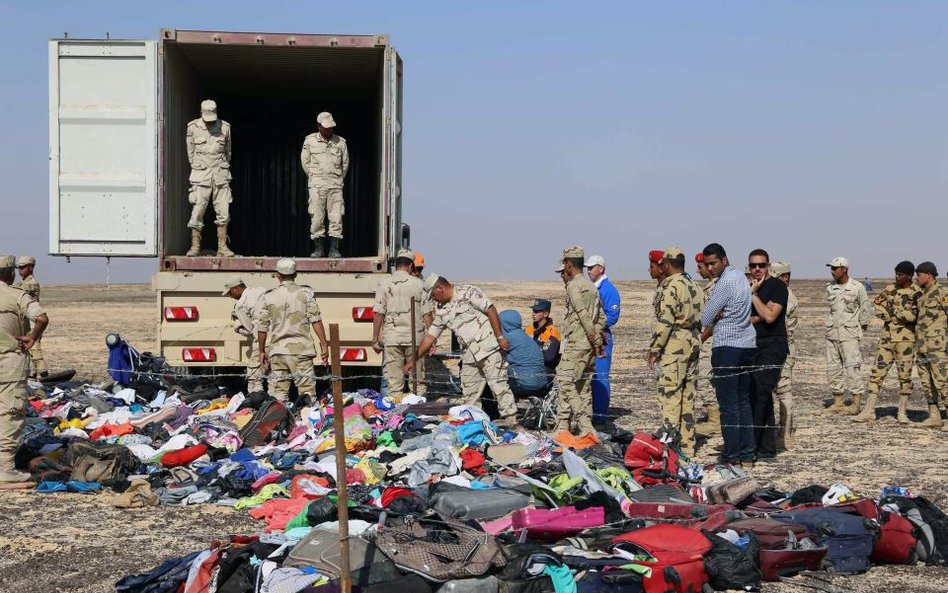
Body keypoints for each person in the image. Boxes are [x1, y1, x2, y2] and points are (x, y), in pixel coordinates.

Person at [404, 275, 520, 428]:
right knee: (469, 394)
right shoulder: (441, 311)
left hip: (488, 348)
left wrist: (499, 337)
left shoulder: (468, 292)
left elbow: (490, 309)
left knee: (498, 386)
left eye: (433, 295)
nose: (433, 299)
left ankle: (512, 421)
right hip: (469, 355)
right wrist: (414, 360)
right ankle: (476, 425)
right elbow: (429, 337)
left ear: (440, 288)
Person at [699, 243, 757, 467]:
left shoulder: (725, 282)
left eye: (713, 263)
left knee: (729, 404)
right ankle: (747, 454)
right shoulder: (742, 278)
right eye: (707, 264)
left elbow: (706, 317)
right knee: (743, 402)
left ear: (724, 260)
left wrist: (715, 314)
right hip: (747, 345)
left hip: (728, 346)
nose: (711, 268)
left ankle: (731, 455)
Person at [647, 247, 703, 456]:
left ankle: (670, 446)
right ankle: (687, 446)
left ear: (667, 264)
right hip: (693, 342)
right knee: (688, 397)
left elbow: (665, 321)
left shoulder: (671, 287)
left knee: (670, 396)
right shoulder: (693, 285)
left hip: (675, 344)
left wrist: (654, 349)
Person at [0, 255, 48, 483]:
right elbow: (41, 317)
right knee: (10, 415)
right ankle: (5, 469)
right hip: (10, 365)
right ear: (10, 273)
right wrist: (32, 337)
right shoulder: (16, 295)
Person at [854, 261, 920, 424]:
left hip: (905, 341)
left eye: (900, 274)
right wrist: (889, 315)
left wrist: (894, 311)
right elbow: (877, 306)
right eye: (896, 273)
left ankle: (902, 412)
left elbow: (913, 316)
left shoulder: (916, 293)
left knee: (904, 377)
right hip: (887, 339)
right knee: (877, 374)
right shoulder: (889, 289)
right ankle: (869, 411)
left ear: (909, 276)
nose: (897, 277)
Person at [256, 259, 329, 405]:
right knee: (307, 395)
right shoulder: (305, 293)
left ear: (278, 275)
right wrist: (324, 344)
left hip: (278, 351)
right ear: (295, 274)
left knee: (278, 397)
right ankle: (309, 424)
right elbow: (316, 320)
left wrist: (262, 350)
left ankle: (279, 424)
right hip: (301, 351)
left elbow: (262, 327)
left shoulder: (268, 296)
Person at [555, 247, 605, 436]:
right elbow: (601, 317)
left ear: (568, 264)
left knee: (565, 382)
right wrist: (596, 340)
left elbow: (583, 314)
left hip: (578, 343)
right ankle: (568, 429)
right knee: (583, 386)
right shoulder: (591, 285)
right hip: (588, 346)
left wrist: (593, 336)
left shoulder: (575, 286)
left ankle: (584, 425)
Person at [746, 249, 789, 462]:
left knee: (763, 392)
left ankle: (755, 446)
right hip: (751, 345)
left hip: (772, 345)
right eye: (753, 265)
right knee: (755, 394)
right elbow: (745, 318)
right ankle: (766, 448)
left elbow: (770, 316)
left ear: (768, 265)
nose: (756, 269)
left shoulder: (777, 287)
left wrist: (754, 296)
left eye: (761, 265)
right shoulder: (746, 287)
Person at [372, 249, 429, 397]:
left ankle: (395, 416)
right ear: (411, 266)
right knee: (417, 384)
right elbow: (427, 313)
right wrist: (431, 340)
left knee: (394, 386)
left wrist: (375, 338)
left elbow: (378, 313)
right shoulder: (420, 285)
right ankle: (416, 414)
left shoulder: (384, 284)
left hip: (392, 339)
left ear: (396, 265)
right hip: (415, 339)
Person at [185, 100, 234, 258]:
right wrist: (200, 168)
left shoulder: (225, 127)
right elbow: (190, 153)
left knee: (224, 212)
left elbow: (228, 152)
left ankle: (222, 247)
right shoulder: (192, 128)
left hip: (220, 175)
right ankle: (195, 247)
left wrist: (220, 168)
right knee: (197, 212)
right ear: (201, 113)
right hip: (201, 176)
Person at [823, 257, 871, 414]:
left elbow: (865, 308)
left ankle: (856, 404)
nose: (832, 271)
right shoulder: (830, 287)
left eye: (835, 268)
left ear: (844, 269)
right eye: (831, 268)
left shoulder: (857, 287)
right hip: (832, 334)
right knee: (833, 369)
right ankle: (838, 402)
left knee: (852, 368)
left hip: (849, 335)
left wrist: (860, 328)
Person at [301, 112, 350, 258]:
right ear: (319, 126)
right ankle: (319, 249)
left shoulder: (341, 143)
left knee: (336, 217)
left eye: (331, 127)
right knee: (317, 217)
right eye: (326, 127)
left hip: (335, 185)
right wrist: (316, 177)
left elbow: (345, 164)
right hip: (317, 185)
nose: (329, 130)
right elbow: (305, 163)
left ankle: (334, 249)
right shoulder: (310, 141)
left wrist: (336, 179)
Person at [585, 254, 621, 425]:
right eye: (587, 268)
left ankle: (600, 414)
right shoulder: (592, 288)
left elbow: (613, 316)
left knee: (600, 375)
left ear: (601, 268)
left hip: (601, 337)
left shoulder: (608, 290)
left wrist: (595, 325)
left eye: (591, 268)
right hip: (589, 337)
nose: (589, 271)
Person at [913, 261, 948, 430]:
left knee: (943, 382)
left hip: (938, 347)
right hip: (921, 347)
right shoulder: (920, 295)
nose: (916, 278)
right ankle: (934, 416)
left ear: (929, 275)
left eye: (918, 275)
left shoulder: (943, 293)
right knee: (927, 383)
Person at [770, 261, 797, 449]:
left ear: (784, 277)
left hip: (782, 349)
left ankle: (784, 433)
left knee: (783, 391)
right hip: (772, 348)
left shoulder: (786, 297)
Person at [224, 277, 268, 394]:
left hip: (261, 339)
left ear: (237, 289)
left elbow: (249, 329)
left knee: (254, 375)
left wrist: (237, 325)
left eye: (230, 292)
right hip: (279, 335)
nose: (230, 296)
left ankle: (256, 398)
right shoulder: (260, 290)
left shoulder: (240, 305)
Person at [695, 252, 719, 433]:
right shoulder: (709, 287)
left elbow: (713, 320)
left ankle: (715, 418)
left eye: (700, 267)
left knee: (703, 378)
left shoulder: (717, 288)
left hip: (711, 340)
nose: (698, 270)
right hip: (708, 339)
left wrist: (700, 339)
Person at [499, 309, 549, 395]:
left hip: (524, 386)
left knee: (491, 383)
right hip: (542, 386)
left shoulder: (507, 338)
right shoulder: (525, 336)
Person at [14, 256, 47, 378]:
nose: (20, 270)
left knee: (35, 348)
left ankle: (42, 374)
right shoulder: (25, 283)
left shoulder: (32, 283)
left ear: (30, 268)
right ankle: (34, 373)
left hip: (34, 321)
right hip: (28, 321)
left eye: (23, 268)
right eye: (19, 268)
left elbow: (18, 290)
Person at [525, 298, 562, 374]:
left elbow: (548, 357)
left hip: (545, 370)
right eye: (533, 311)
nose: (533, 314)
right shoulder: (529, 328)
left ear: (545, 314)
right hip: (528, 366)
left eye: (537, 311)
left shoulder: (552, 332)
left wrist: (528, 353)